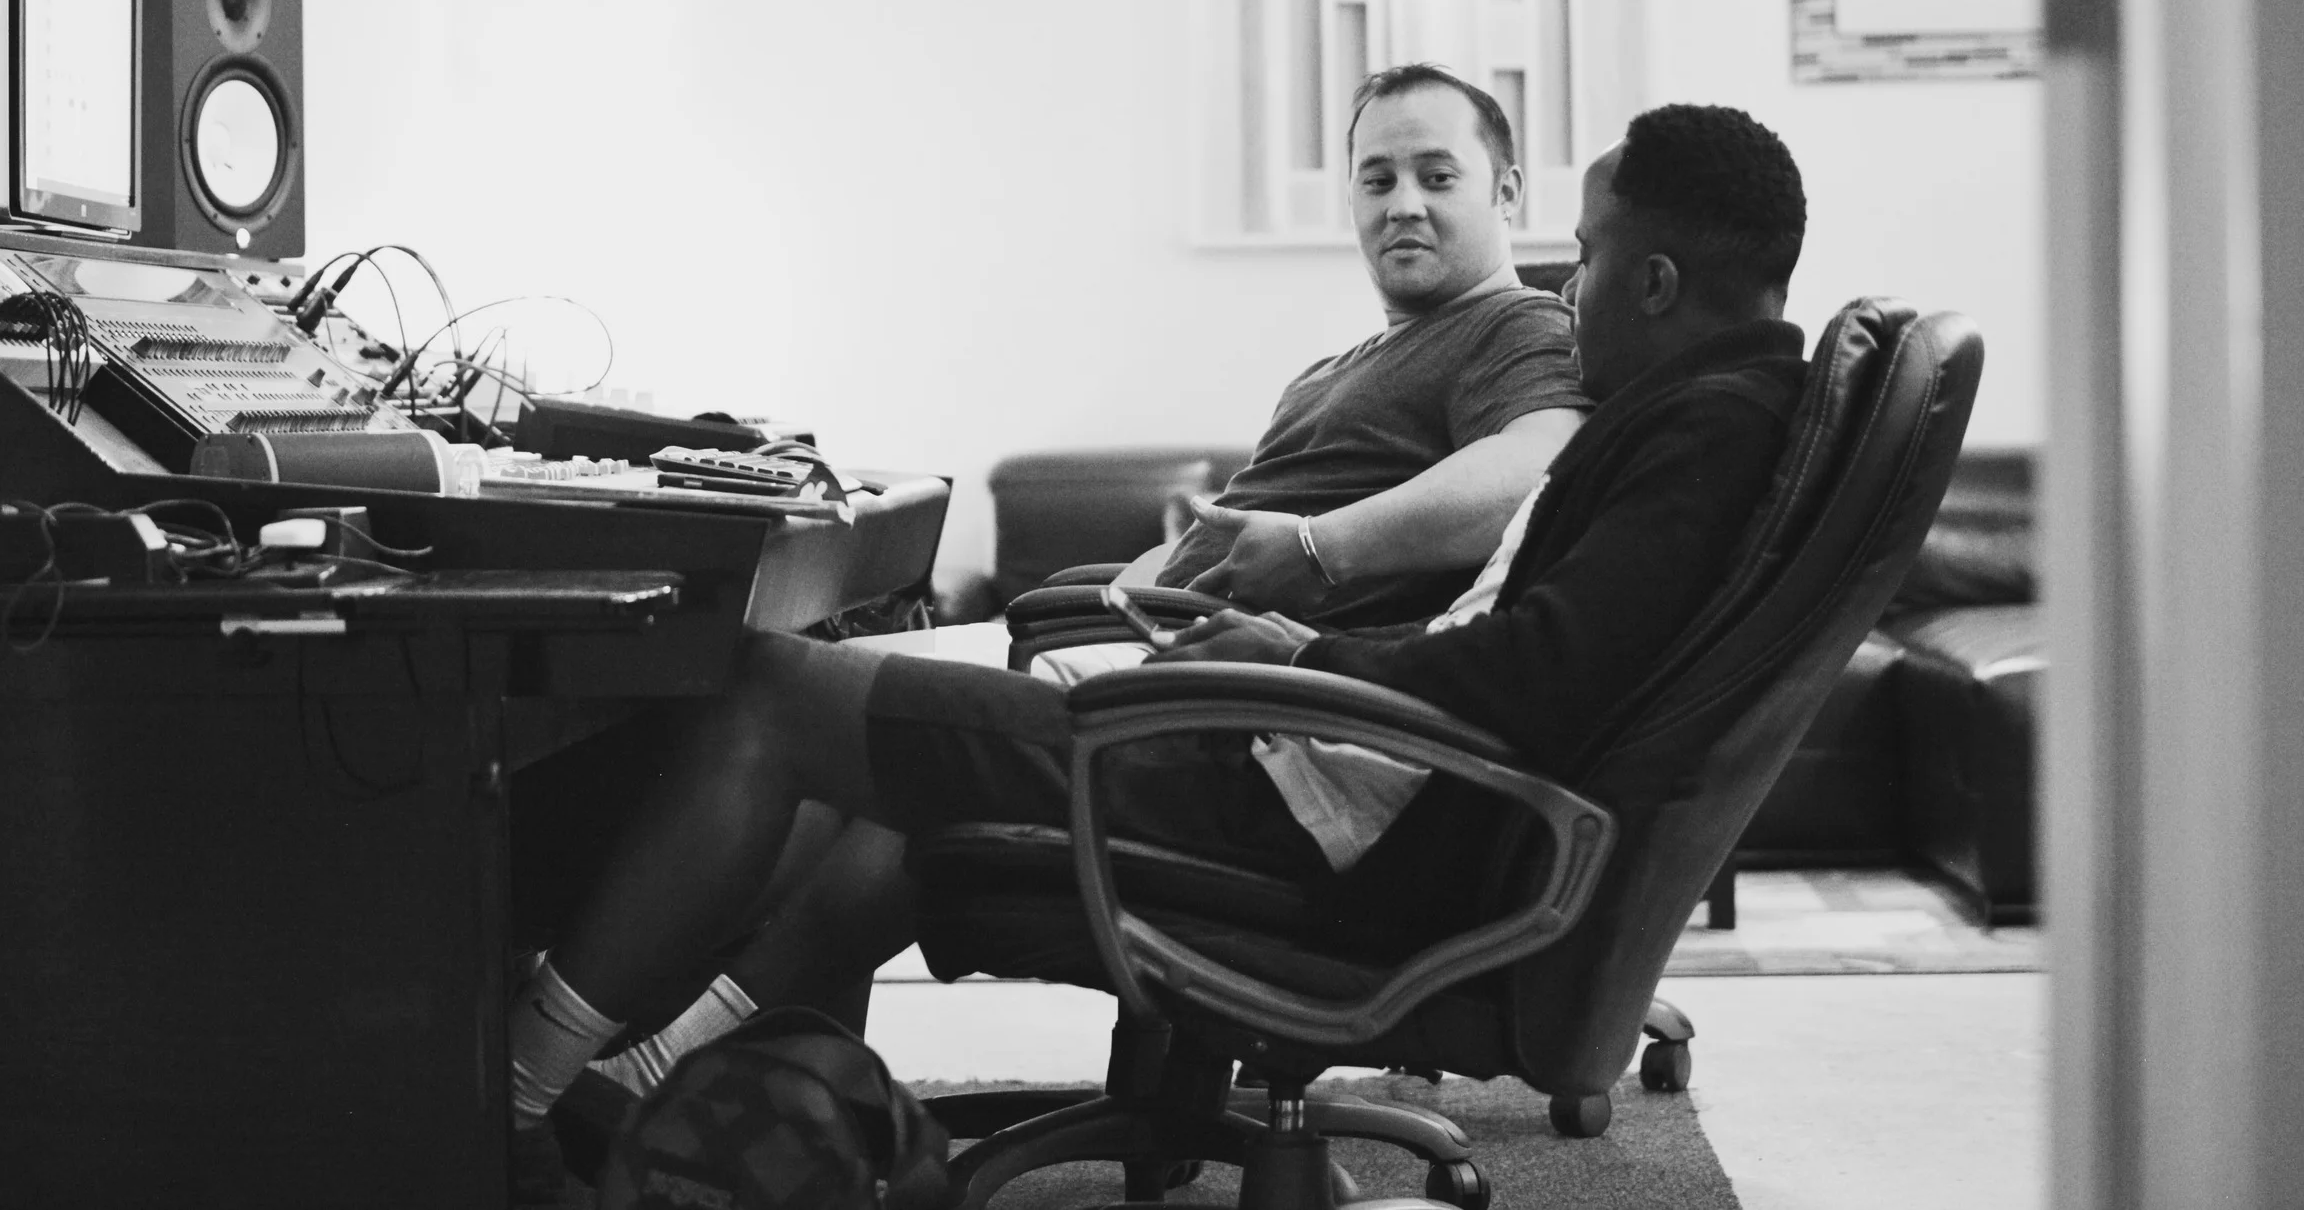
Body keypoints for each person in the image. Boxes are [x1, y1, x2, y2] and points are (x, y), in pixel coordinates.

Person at [504, 105, 1811, 1201]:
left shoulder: (1690, 433)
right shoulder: (1718, 416)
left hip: (1310, 809)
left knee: (770, 690)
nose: (1568, 287)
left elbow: (1532, 677)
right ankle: (656, 1084)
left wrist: (1304, 653)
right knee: (857, 714)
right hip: (1315, 770)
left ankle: (509, 1096)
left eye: (1586, 253)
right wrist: (1291, 645)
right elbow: (1524, 657)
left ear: (1654, 282)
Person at [1149, 64, 1589, 626]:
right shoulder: (1320, 375)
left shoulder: (1519, 323)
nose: (1403, 205)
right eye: (1377, 182)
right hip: (1147, 635)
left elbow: (1543, 473)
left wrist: (1317, 548)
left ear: (1506, 192)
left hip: (1238, 668)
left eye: (1437, 177)